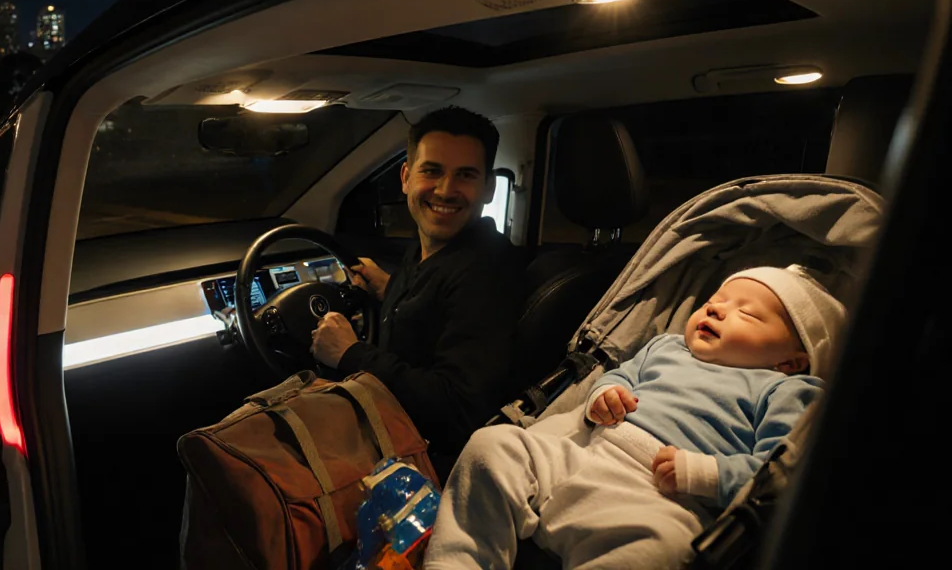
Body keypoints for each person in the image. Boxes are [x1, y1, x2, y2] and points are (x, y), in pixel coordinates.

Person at [422, 264, 844, 570]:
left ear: (791, 361)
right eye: (714, 301)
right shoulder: (666, 347)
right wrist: (604, 395)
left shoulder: (788, 391)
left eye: (747, 313)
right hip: (586, 452)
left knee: (662, 552)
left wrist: (706, 473)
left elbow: (778, 472)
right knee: (493, 445)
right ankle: (459, 561)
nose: (716, 310)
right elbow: (619, 374)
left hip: (663, 497)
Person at [309, 105, 526, 472]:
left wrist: (349, 352)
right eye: (432, 171)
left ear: (488, 188)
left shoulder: (488, 270)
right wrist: (390, 287)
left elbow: (459, 409)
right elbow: (440, 305)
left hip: (420, 464)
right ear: (406, 177)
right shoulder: (436, 249)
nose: (446, 190)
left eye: (465, 175)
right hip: (386, 430)